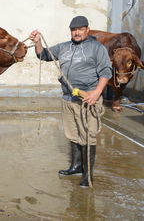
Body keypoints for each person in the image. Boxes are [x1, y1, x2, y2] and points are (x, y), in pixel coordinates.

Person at [29, 16, 112, 188]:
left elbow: (106, 71)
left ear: (87, 30)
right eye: (74, 29)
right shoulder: (64, 47)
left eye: (80, 29)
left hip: (88, 99)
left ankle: (88, 174)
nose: (77, 32)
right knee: (73, 134)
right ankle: (75, 167)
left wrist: (97, 93)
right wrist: (37, 42)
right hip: (68, 98)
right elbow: (43, 55)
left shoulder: (97, 48)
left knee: (88, 136)